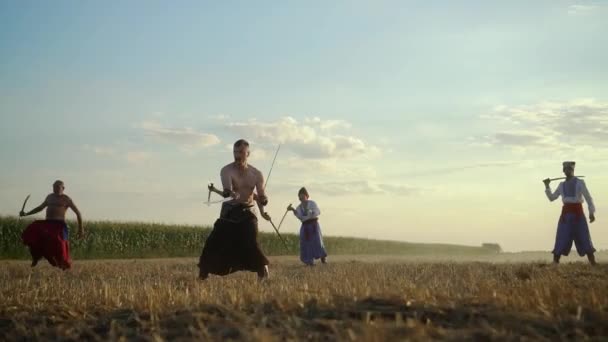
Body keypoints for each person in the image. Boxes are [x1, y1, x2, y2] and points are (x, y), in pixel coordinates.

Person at [198, 139, 272, 280]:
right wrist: (230, 193)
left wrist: (263, 205)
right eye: (235, 152)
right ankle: (203, 275)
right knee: (214, 242)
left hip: (248, 212)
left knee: (251, 242)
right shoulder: (226, 170)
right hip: (229, 211)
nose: (237, 155)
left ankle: (262, 271)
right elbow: (227, 189)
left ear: (248, 153)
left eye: (241, 152)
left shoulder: (256, 174)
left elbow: (260, 195)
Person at [19, 180, 84, 269]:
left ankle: (62, 264)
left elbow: (78, 213)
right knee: (32, 231)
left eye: (58, 187)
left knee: (59, 244)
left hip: (59, 225)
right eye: (54, 187)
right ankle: (36, 257)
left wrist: (80, 229)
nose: (55, 189)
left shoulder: (67, 199)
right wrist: (26, 214)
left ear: (63, 188)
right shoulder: (50, 197)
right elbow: (40, 208)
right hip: (48, 223)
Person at [544, 161, 597, 265]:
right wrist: (547, 186)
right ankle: (555, 262)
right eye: (566, 169)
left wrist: (591, 212)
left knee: (584, 237)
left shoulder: (580, 182)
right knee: (561, 237)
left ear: (573, 170)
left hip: (578, 215)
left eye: (570, 169)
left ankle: (593, 262)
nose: (568, 171)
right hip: (565, 217)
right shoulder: (561, 185)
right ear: (563, 171)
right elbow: (552, 198)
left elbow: (588, 198)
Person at [288, 187, 327, 266]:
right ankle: (309, 262)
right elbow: (300, 217)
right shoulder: (299, 207)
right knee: (306, 244)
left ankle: (323, 258)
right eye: (300, 197)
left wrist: (312, 212)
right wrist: (293, 210)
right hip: (305, 226)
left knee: (317, 242)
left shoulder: (312, 203)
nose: (301, 198)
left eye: (303, 196)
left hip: (314, 226)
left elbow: (317, 212)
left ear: (307, 196)